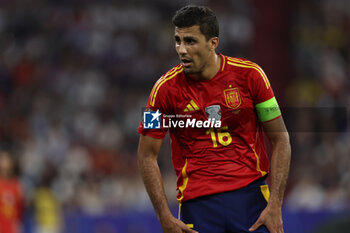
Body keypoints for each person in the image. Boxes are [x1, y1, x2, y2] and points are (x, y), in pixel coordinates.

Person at [137, 5, 291, 233]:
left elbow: (281, 139)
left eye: (190, 41)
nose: (181, 49)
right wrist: (164, 217)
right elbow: (146, 155)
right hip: (198, 206)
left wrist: (276, 204)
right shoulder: (163, 91)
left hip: (251, 201)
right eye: (177, 40)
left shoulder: (251, 76)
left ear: (213, 43)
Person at [0, 150, 24, 233]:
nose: (4, 162)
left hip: (12, 226)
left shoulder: (16, 185)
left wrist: (18, 224)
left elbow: (19, 208)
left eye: (6, 159)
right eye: (2, 159)